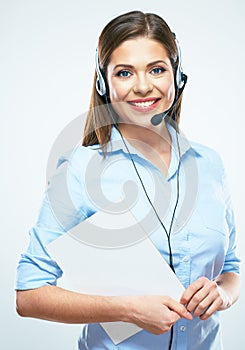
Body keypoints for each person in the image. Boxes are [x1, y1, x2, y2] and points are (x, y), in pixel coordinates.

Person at [16, 10, 241, 350]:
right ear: (104, 84)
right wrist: (127, 310)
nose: (142, 86)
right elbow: (30, 294)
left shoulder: (210, 164)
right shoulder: (79, 170)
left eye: (157, 69)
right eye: (124, 72)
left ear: (177, 76)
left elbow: (231, 268)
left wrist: (222, 294)